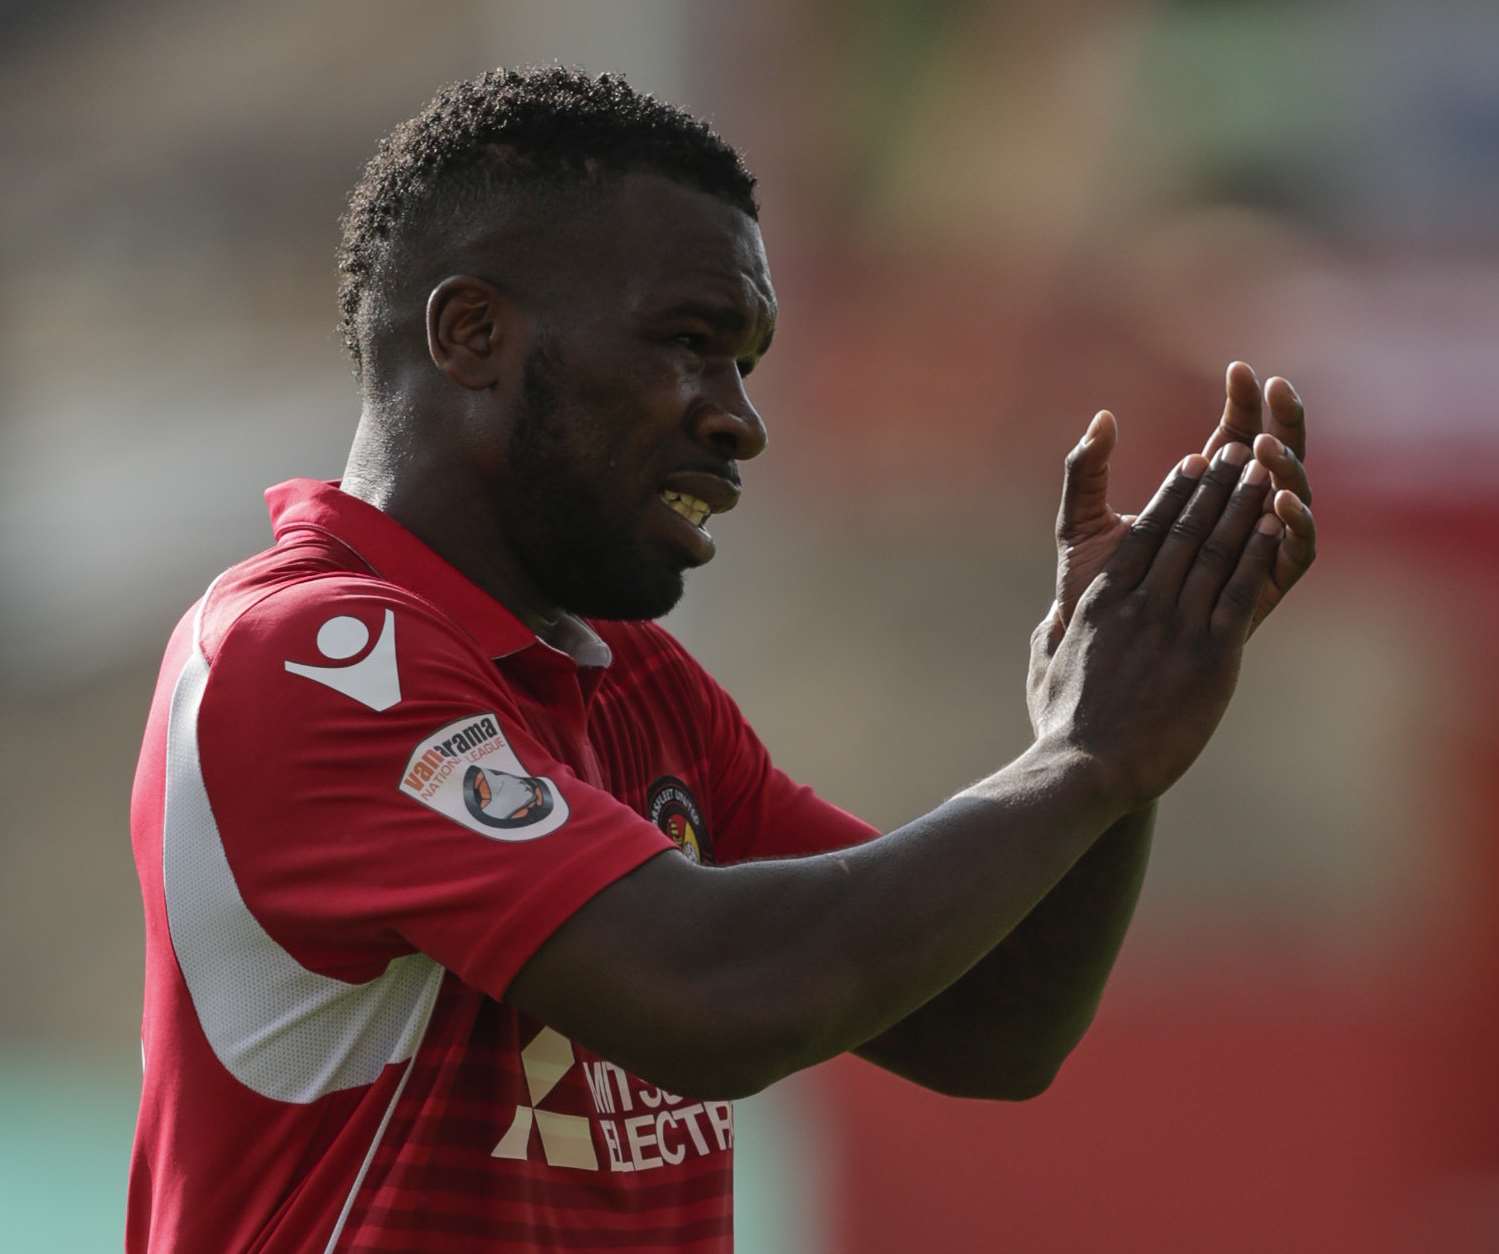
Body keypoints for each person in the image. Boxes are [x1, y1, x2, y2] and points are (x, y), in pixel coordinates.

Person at [126, 65, 1316, 1253]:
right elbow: (713, 997)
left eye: (744, 359)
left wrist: (1126, 736)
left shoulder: (638, 686)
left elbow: (995, 1026)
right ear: (474, 334)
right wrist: (1085, 755)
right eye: (689, 344)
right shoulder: (311, 657)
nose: (739, 417)